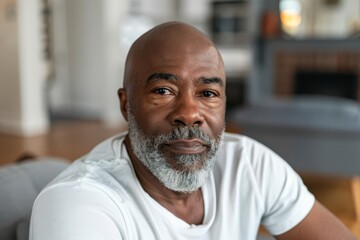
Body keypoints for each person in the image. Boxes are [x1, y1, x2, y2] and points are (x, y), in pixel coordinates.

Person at [30, 22, 355, 240]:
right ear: (126, 106)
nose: (189, 114)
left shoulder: (250, 164)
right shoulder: (77, 205)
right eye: (163, 90)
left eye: (208, 94)